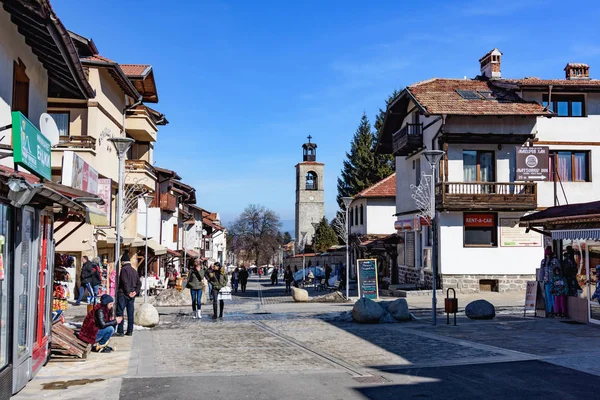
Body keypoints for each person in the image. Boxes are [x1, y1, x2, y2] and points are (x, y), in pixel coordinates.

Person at [115, 254, 140, 337]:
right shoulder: (134, 271)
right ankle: (130, 331)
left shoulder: (123, 270)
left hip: (123, 294)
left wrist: (128, 292)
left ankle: (120, 331)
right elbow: (138, 284)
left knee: (120, 312)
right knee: (130, 313)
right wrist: (135, 292)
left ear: (122, 262)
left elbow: (124, 282)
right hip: (132, 295)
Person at [540, 247, 560, 317]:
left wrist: (559, 279)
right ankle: (550, 311)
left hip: (554, 282)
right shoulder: (543, 261)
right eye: (546, 254)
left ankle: (555, 311)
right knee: (548, 297)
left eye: (548, 254)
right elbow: (541, 271)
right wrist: (541, 279)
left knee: (553, 297)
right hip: (547, 282)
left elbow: (558, 270)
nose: (547, 255)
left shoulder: (554, 261)